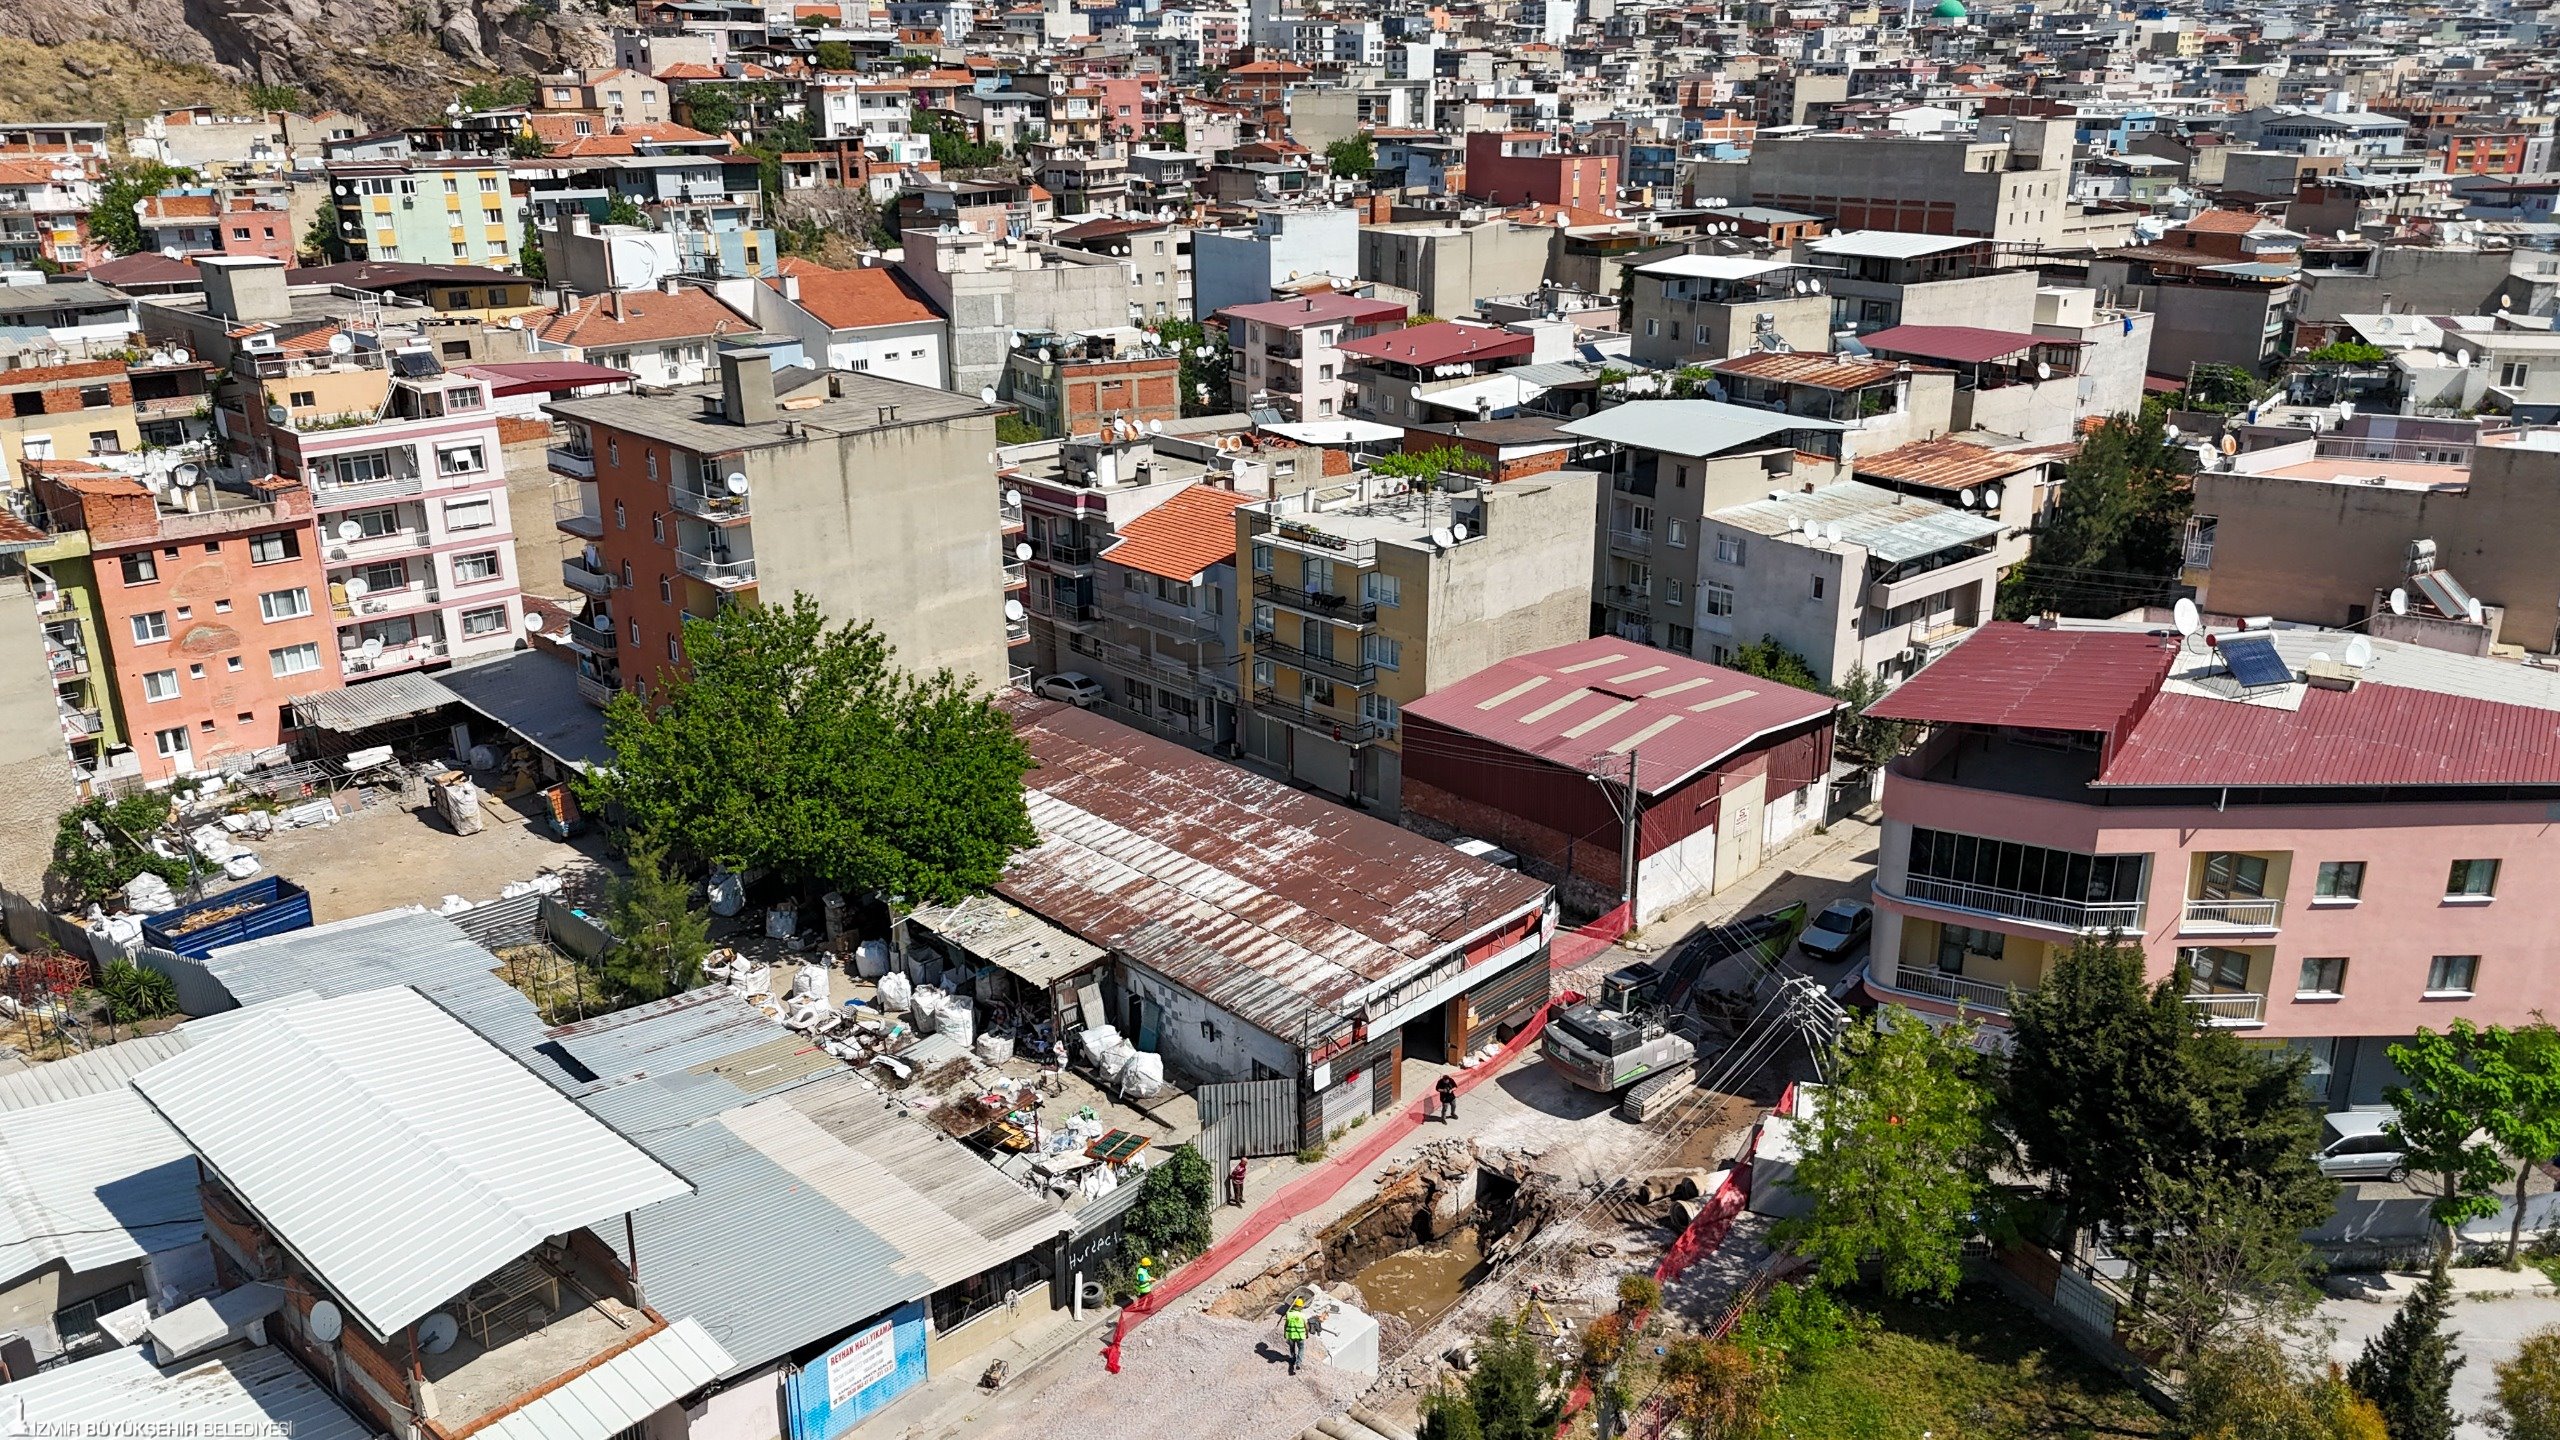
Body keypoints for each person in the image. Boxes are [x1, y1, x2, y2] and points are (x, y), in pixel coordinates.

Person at [1283, 1296, 1309, 1374]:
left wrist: (1285, 1333)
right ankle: (1298, 1363)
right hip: (1300, 1335)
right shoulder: (1302, 1315)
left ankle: (1293, 1359)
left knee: (1292, 1348)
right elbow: (1306, 1326)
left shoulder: (1289, 1314)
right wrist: (1307, 1333)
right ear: (1301, 1307)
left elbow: (1286, 1325)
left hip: (1291, 1335)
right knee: (1301, 1348)